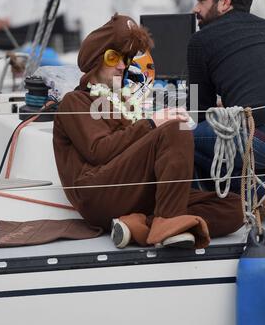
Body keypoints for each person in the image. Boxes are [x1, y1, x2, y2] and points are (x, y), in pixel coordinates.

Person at [53, 13, 243, 250]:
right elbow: (99, 151)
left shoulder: (124, 102)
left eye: (125, 58)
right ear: (94, 58)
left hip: (136, 193)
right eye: (113, 58)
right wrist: (152, 124)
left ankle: (140, 225)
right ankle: (168, 222)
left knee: (234, 208)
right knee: (174, 128)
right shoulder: (75, 101)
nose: (122, 66)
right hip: (99, 193)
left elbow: (141, 148)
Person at [187, 0, 265, 219]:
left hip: (260, 145)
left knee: (183, 139)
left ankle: (252, 190)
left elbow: (197, 112)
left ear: (225, 2)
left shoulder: (201, 41)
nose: (196, 9)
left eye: (202, 0)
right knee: (251, 133)